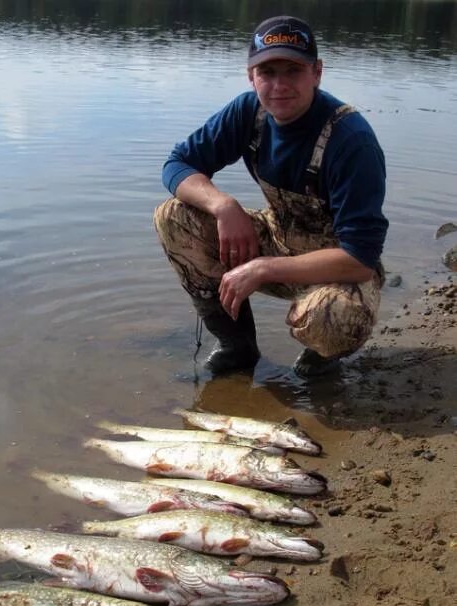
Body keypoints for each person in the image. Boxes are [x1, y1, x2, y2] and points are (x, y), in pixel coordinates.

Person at [153, 15, 388, 378]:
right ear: (251, 77)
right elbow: (177, 164)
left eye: (292, 70)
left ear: (317, 72)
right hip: (277, 238)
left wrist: (263, 268)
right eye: (267, 72)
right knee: (174, 215)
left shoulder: (350, 140)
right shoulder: (248, 112)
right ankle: (237, 347)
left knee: (332, 317)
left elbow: (360, 258)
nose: (279, 85)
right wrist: (223, 206)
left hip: (338, 267)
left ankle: (320, 360)